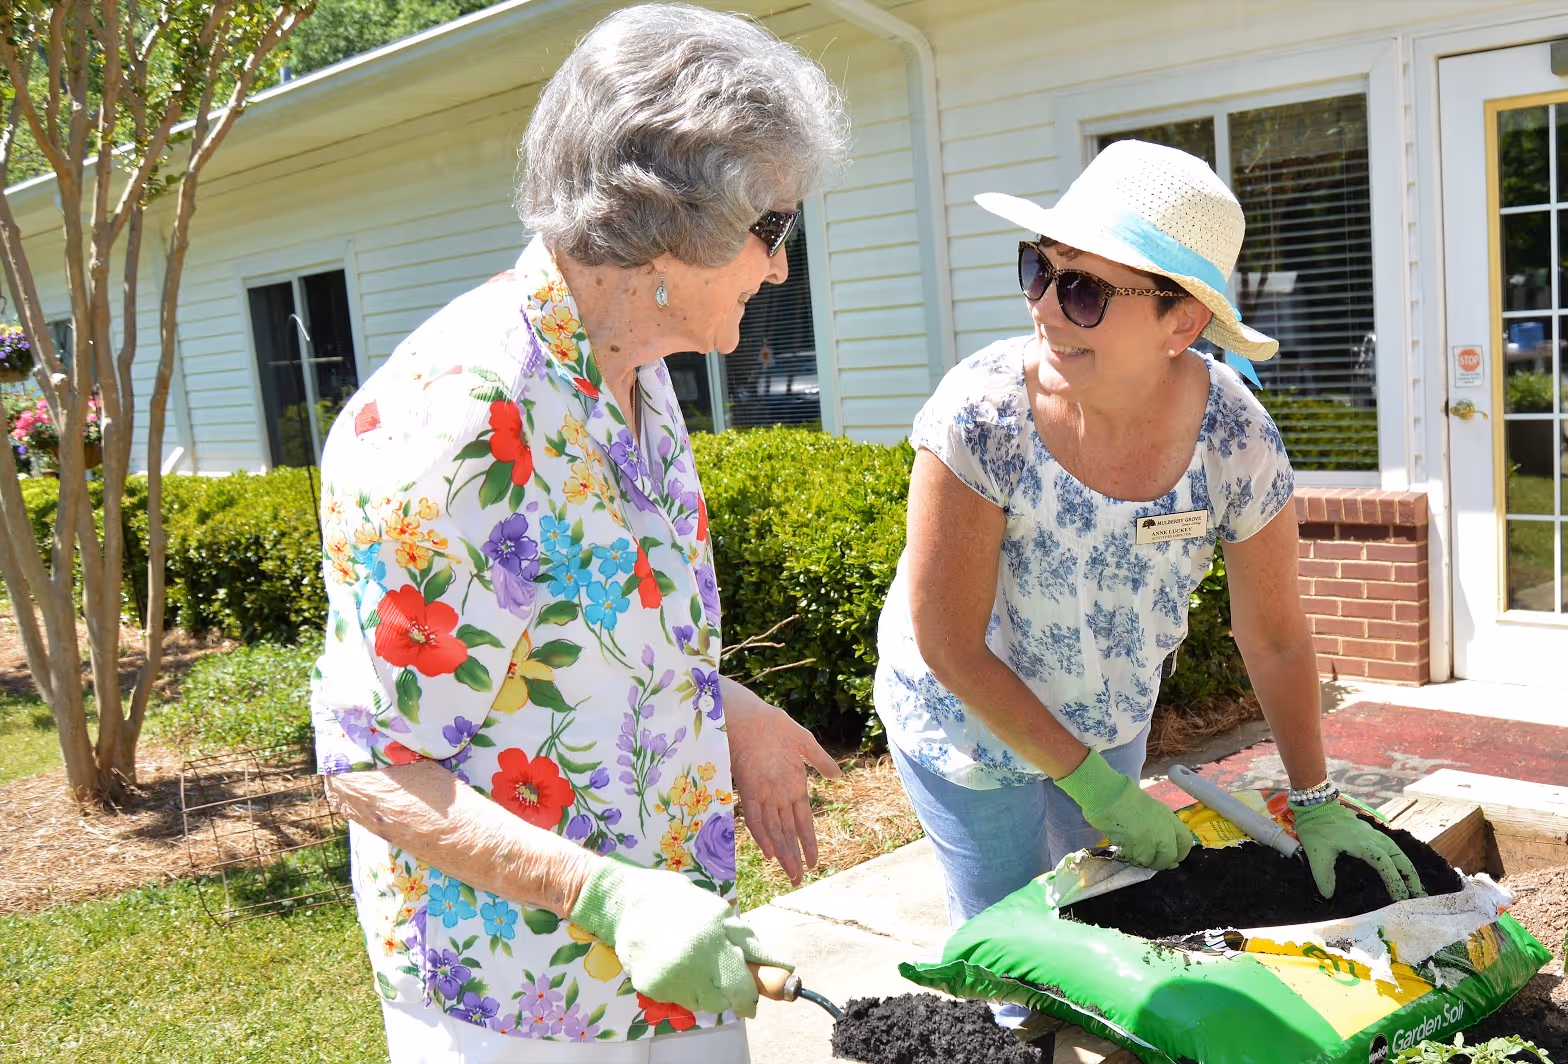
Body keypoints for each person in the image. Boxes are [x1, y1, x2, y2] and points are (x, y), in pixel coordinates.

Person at [309, 6, 848, 1061]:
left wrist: (722, 704)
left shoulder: (636, 369)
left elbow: (584, 613)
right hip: (523, 993)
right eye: (770, 225)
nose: (779, 266)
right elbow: (368, 764)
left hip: (673, 959)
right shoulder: (456, 418)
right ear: (670, 220)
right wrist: (607, 895)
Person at [873, 140, 1422, 946]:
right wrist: (1095, 787)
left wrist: (1314, 799)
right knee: (1017, 959)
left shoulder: (1235, 436)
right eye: (1040, 269)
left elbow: (1272, 635)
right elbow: (950, 644)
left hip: (1108, 717)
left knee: (1104, 933)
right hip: (966, 729)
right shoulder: (981, 416)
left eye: (1085, 290)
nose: (1047, 307)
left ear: (1184, 321)